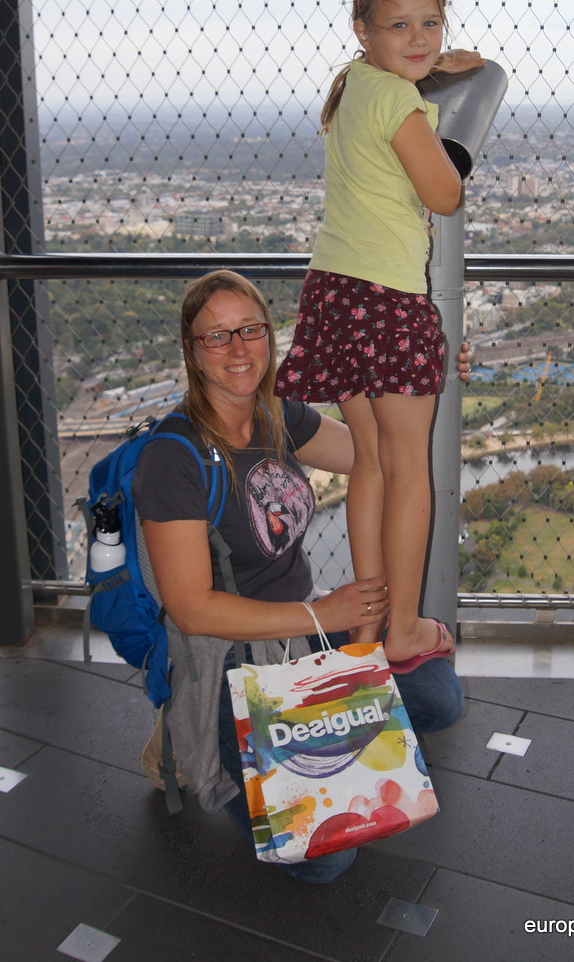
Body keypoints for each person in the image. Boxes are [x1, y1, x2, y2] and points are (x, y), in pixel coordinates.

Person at [133, 268, 469, 884]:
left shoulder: (278, 417)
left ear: (270, 336)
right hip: (229, 657)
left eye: (251, 330)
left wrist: (417, 385)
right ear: (192, 351)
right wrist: (324, 615)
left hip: (304, 635)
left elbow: (381, 454)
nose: (239, 350)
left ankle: (314, 743)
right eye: (218, 337)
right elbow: (192, 608)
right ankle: (189, 738)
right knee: (328, 860)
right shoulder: (172, 457)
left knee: (440, 700)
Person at [275, 0, 484, 673]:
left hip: (334, 292)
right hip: (388, 299)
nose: (419, 36)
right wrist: (440, 120)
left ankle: (365, 625)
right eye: (399, 24)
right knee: (408, 471)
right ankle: (401, 628)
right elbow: (443, 193)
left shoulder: (354, 88)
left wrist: (425, 65)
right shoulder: (399, 102)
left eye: (430, 22)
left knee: (367, 465)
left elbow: (399, 74)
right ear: (361, 28)